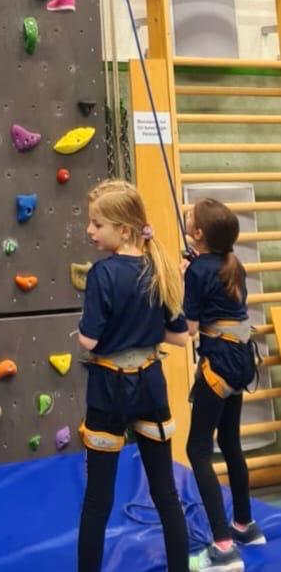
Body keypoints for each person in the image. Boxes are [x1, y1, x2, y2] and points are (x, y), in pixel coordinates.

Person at [77, 180, 190, 572]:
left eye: (97, 224)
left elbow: (90, 340)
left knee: (98, 499)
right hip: (150, 385)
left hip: (110, 389)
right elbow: (179, 336)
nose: (90, 231)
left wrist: (93, 333)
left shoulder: (102, 273)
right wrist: (141, 325)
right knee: (165, 492)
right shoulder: (159, 268)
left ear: (123, 230)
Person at [184, 198, 265, 570]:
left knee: (198, 449)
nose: (187, 216)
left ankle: (222, 545)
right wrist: (193, 267)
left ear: (198, 233)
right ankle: (244, 525)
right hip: (241, 361)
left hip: (218, 364)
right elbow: (215, 289)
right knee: (230, 441)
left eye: (191, 216)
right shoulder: (234, 264)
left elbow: (189, 328)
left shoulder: (198, 271)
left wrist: (185, 280)